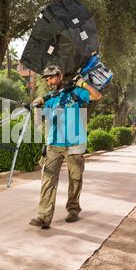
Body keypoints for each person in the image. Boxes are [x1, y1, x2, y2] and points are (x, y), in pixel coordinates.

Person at [29, 65, 102, 229]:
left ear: (60, 76)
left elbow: (97, 96)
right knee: (47, 179)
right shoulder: (50, 99)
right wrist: (38, 107)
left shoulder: (76, 93)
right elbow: (39, 122)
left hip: (74, 143)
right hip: (54, 144)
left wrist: (82, 83)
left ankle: (73, 209)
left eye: (51, 77)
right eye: (47, 79)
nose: (49, 82)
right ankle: (43, 216)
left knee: (75, 178)